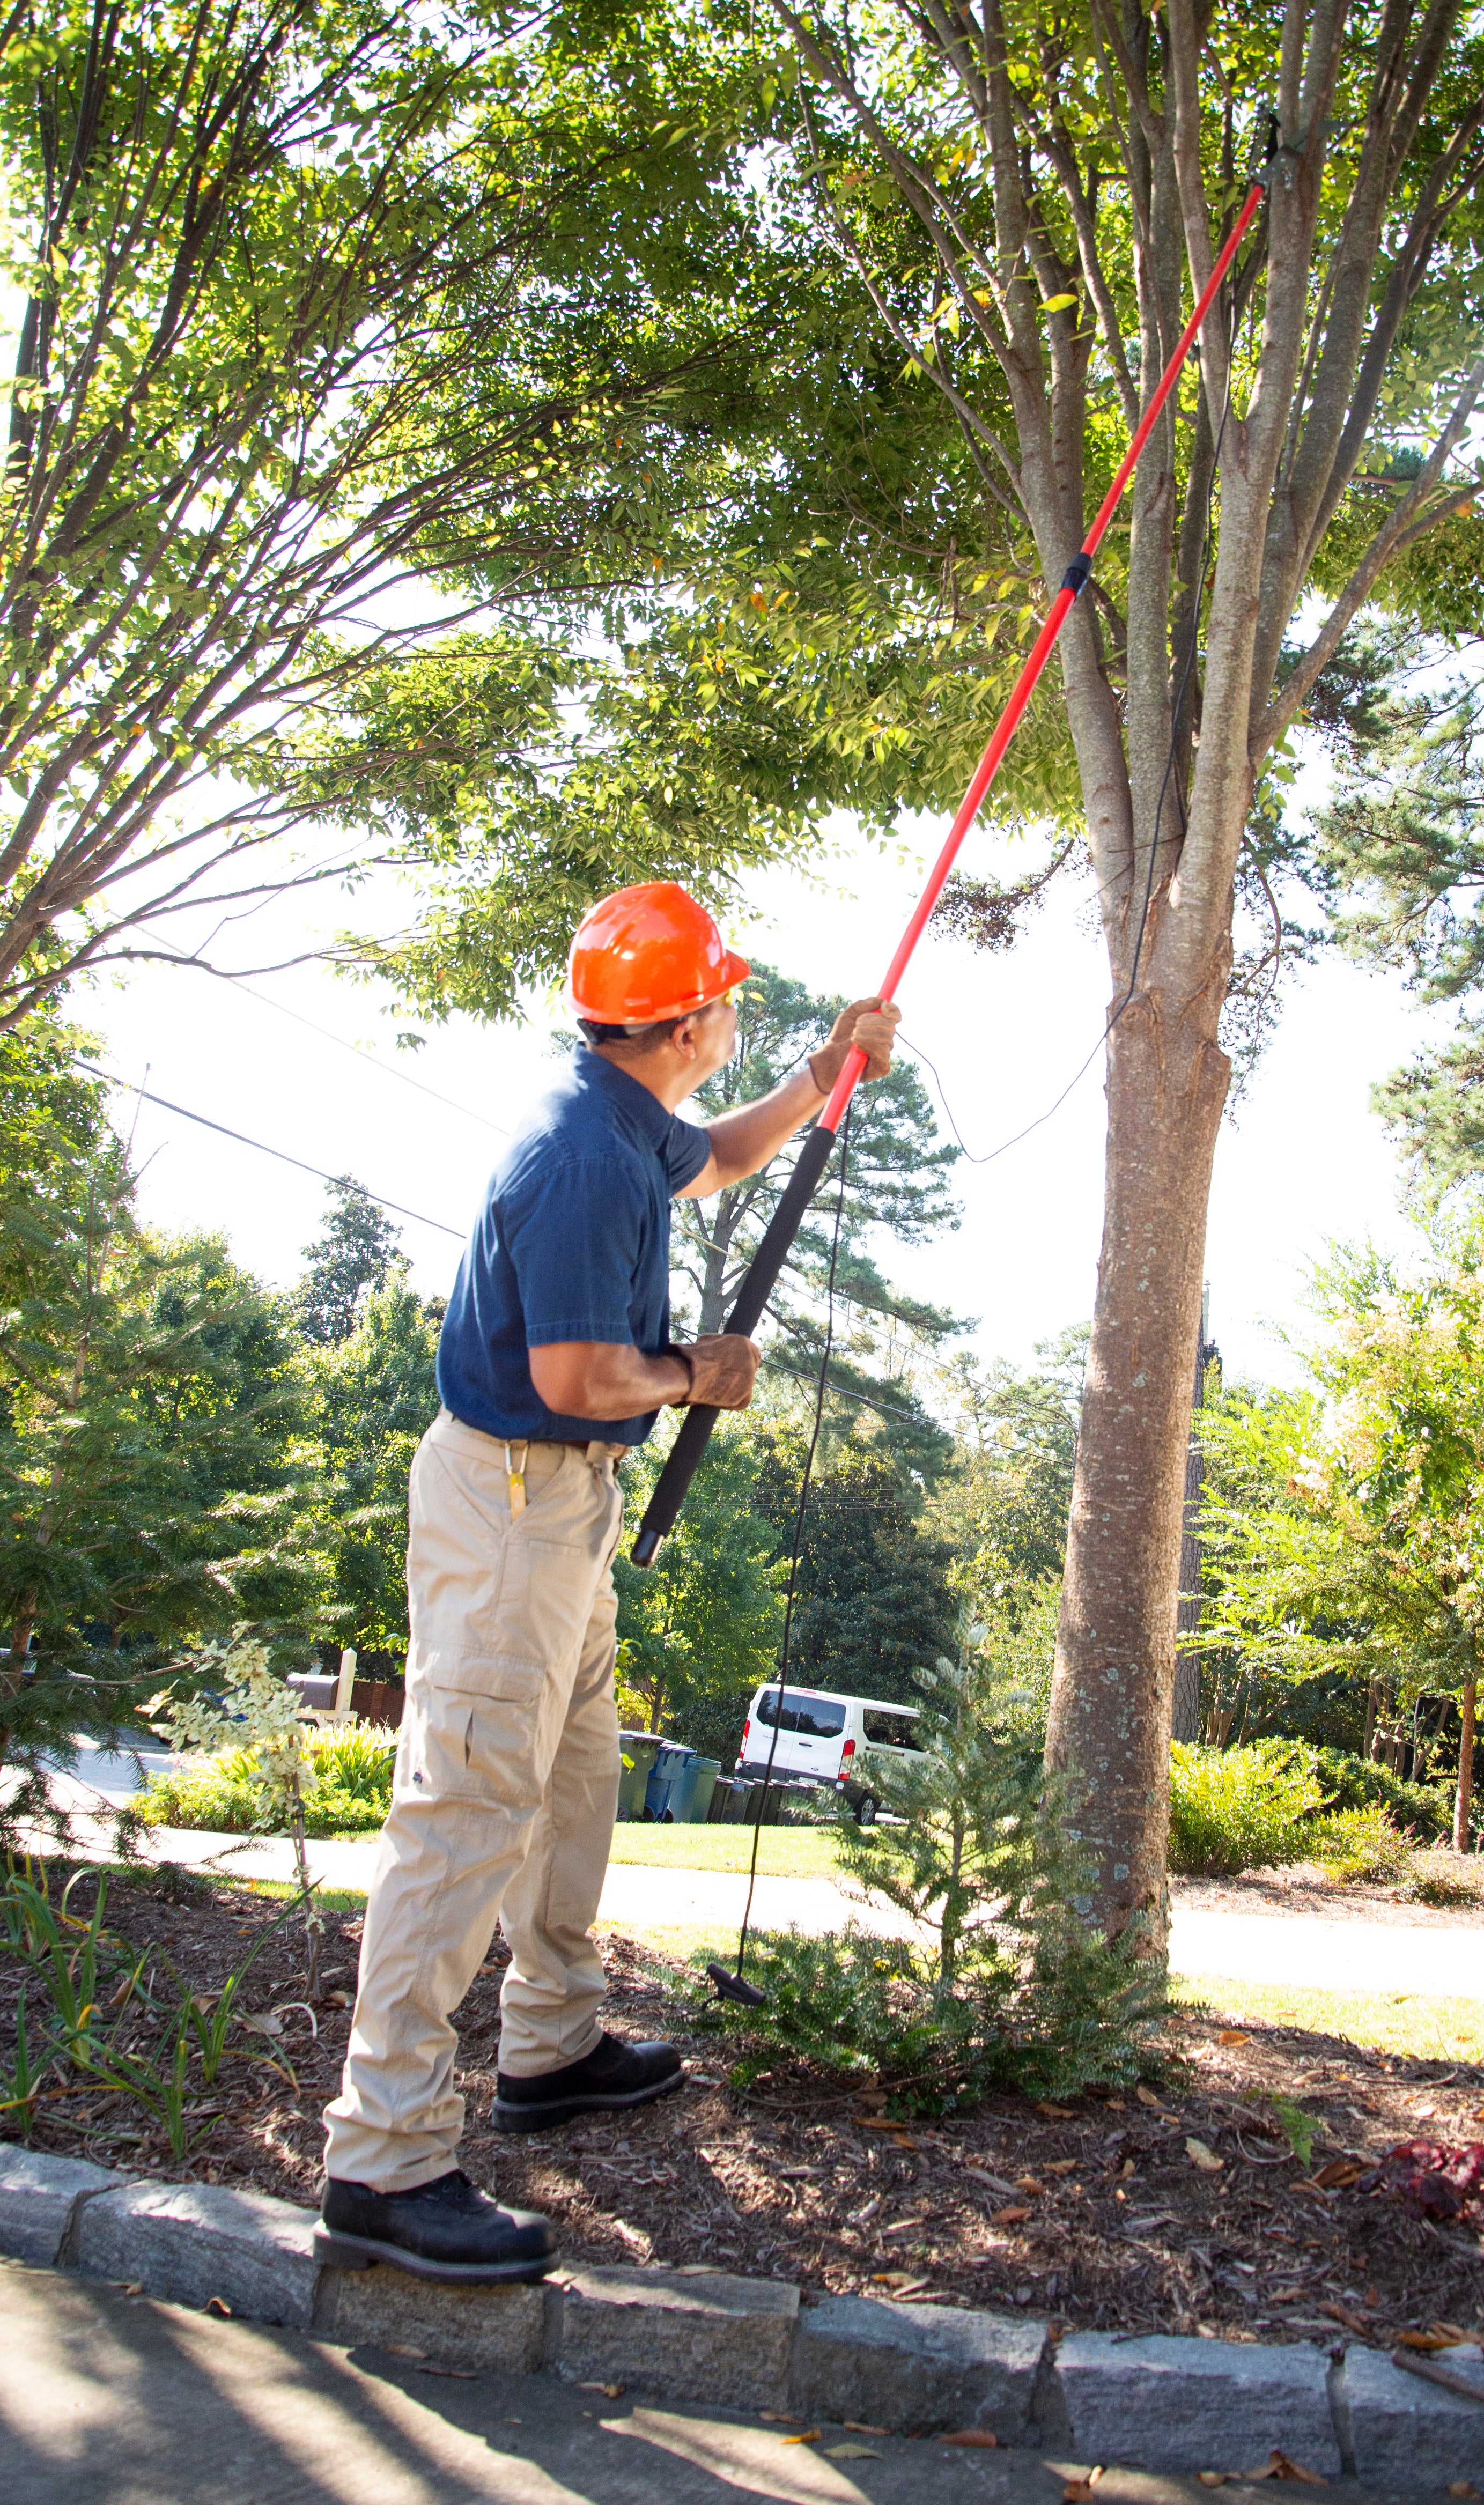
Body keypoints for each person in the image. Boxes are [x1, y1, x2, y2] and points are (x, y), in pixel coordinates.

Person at [315, 881, 899, 2284]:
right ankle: (383, 2161)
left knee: (571, 1779)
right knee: (465, 1807)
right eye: (733, 1002)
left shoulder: (627, 1121)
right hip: (514, 1493)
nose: (736, 1017)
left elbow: (714, 1159)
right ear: (688, 1020)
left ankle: (553, 2048)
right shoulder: (582, 1157)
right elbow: (576, 1378)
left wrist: (824, 1073)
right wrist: (702, 1373)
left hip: (560, 1498)